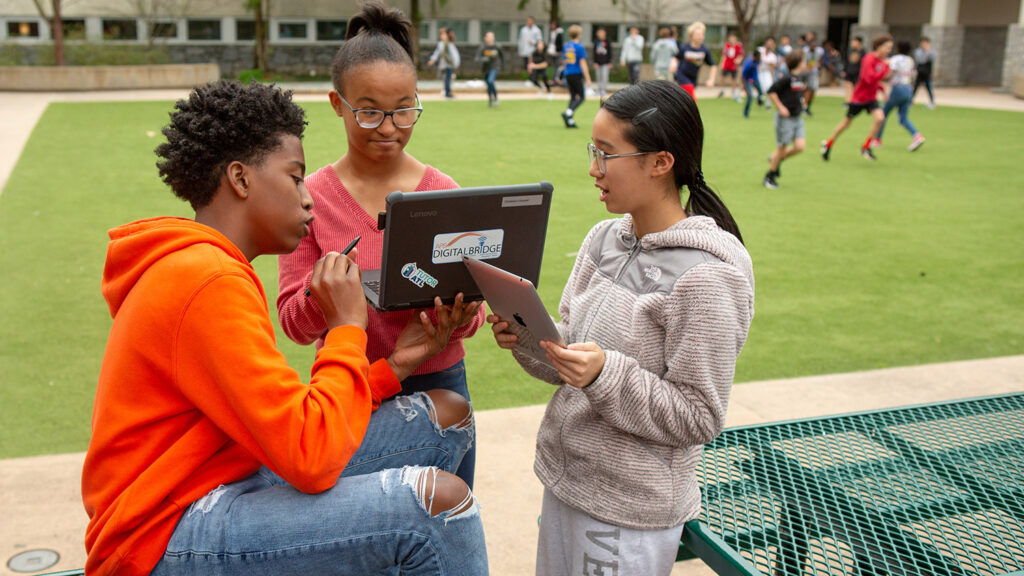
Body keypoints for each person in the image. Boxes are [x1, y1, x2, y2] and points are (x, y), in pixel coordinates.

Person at [82, 78, 489, 576]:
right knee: (437, 507)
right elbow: (310, 456)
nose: (308, 199)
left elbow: (279, 421)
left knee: (447, 414)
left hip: (218, 477)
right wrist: (346, 327)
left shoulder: (209, 266)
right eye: (295, 178)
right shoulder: (205, 279)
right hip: (164, 532)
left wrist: (398, 364)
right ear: (240, 178)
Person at [488, 79, 754, 576]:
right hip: (566, 481)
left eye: (606, 154)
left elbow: (699, 415)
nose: (593, 169)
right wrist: (526, 339)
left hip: (630, 512)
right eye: (593, 150)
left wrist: (605, 375)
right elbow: (568, 352)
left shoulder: (708, 276)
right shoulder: (603, 238)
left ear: (661, 162)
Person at [277, 1, 487, 492]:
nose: (389, 127)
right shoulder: (310, 198)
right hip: (348, 390)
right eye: (369, 112)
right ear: (337, 104)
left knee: (443, 522)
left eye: (404, 109)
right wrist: (326, 293)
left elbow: (470, 318)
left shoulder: (443, 192)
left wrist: (460, 313)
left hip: (441, 385)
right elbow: (291, 321)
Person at [821, 34, 893, 162]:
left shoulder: (881, 61)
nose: (888, 51)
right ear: (878, 46)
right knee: (845, 124)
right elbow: (868, 79)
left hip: (871, 98)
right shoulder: (868, 59)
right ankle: (828, 144)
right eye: (887, 47)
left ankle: (866, 147)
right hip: (859, 98)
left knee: (880, 118)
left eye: (890, 48)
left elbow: (876, 81)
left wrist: (883, 91)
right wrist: (886, 69)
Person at [764, 50, 808, 188]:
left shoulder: (799, 77)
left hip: (797, 117)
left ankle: (775, 159)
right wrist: (780, 107)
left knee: (800, 146)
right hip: (785, 119)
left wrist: (802, 101)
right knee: (782, 148)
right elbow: (771, 91)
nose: (805, 63)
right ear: (799, 63)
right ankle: (769, 177)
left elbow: (796, 94)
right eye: (804, 60)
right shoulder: (787, 78)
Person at [877, 40, 926, 151]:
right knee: (903, 118)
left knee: (882, 114)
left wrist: (880, 76)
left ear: (898, 48)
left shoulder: (895, 59)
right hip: (908, 89)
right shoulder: (910, 60)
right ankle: (917, 136)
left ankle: (877, 140)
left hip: (897, 89)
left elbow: (890, 72)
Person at [670, 21, 717, 102]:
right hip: (682, 76)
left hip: (693, 79)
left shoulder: (704, 50)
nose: (701, 37)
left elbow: (712, 66)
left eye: (702, 34)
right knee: (692, 99)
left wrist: (711, 79)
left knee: (685, 100)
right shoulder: (684, 48)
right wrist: (673, 64)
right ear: (691, 36)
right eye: (698, 35)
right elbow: (675, 58)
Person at [561, 24, 592, 128]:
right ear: (579, 34)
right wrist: (588, 78)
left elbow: (564, 61)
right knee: (582, 96)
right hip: (576, 73)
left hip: (568, 73)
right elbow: (583, 63)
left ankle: (570, 121)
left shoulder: (566, 46)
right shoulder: (579, 47)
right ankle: (568, 113)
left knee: (573, 97)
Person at [428, 27, 460, 99]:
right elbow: (437, 53)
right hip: (445, 65)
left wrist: (455, 62)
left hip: (450, 64)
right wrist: (432, 60)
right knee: (447, 78)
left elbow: (454, 54)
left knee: (448, 78)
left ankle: (447, 91)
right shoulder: (442, 44)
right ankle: (447, 92)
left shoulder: (449, 43)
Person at [476, 30, 504, 107]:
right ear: (485, 38)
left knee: (491, 81)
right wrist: (483, 59)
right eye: (489, 36)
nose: (491, 38)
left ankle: (495, 98)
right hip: (486, 68)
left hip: (495, 66)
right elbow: (477, 58)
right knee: (488, 84)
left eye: (492, 36)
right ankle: (490, 101)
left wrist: (502, 65)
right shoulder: (483, 47)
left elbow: (502, 56)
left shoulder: (497, 46)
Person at [802, 31, 824, 115]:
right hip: (805, 72)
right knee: (807, 89)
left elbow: (819, 61)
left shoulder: (819, 51)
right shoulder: (805, 51)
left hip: (814, 73)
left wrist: (818, 66)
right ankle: (804, 106)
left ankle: (807, 107)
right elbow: (805, 62)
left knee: (812, 89)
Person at [719, 32, 744, 100]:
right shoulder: (727, 45)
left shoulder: (739, 46)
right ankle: (722, 90)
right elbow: (724, 55)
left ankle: (733, 92)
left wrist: (738, 60)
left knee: (734, 79)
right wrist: (722, 63)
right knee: (723, 77)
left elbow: (741, 55)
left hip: (734, 66)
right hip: (727, 64)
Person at [913, 37, 936, 109]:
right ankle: (909, 102)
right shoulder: (918, 51)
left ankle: (932, 102)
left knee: (929, 88)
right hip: (919, 73)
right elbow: (920, 60)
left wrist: (927, 52)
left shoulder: (931, 51)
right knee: (915, 88)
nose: (924, 45)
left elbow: (932, 58)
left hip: (927, 73)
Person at [842, 35, 865, 103]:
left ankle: (855, 101)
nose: (853, 43)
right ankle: (847, 102)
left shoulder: (863, 52)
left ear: (859, 43)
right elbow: (846, 61)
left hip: (858, 72)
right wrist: (844, 70)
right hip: (849, 71)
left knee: (856, 88)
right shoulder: (850, 50)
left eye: (855, 42)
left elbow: (864, 63)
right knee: (848, 87)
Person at [741, 49, 763, 118]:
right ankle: (746, 113)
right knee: (750, 97)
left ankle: (759, 102)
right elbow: (742, 75)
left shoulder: (758, 61)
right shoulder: (748, 64)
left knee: (761, 92)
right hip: (748, 80)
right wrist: (744, 87)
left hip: (755, 79)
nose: (759, 58)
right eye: (758, 56)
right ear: (754, 56)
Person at [592, 27, 613, 98]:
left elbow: (610, 51)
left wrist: (610, 62)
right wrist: (595, 62)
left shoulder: (607, 41)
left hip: (605, 62)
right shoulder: (596, 41)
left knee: (604, 76)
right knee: (598, 76)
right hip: (598, 62)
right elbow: (594, 52)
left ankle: (604, 89)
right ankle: (599, 89)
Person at [757, 36, 779, 102]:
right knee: (761, 88)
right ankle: (759, 101)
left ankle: (768, 103)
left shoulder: (773, 55)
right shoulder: (760, 50)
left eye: (771, 43)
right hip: (759, 71)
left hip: (767, 72)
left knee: (769, 87)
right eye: (768, 42)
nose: (769, 44)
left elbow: (775, 66)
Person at [547, 20, 565, 86]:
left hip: (558, 52)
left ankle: (556, 79)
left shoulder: (559, 33)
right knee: (552, 66)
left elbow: (559, 43)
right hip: (552, 52)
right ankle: (552, 78)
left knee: (557, 66)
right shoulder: (551, 32)